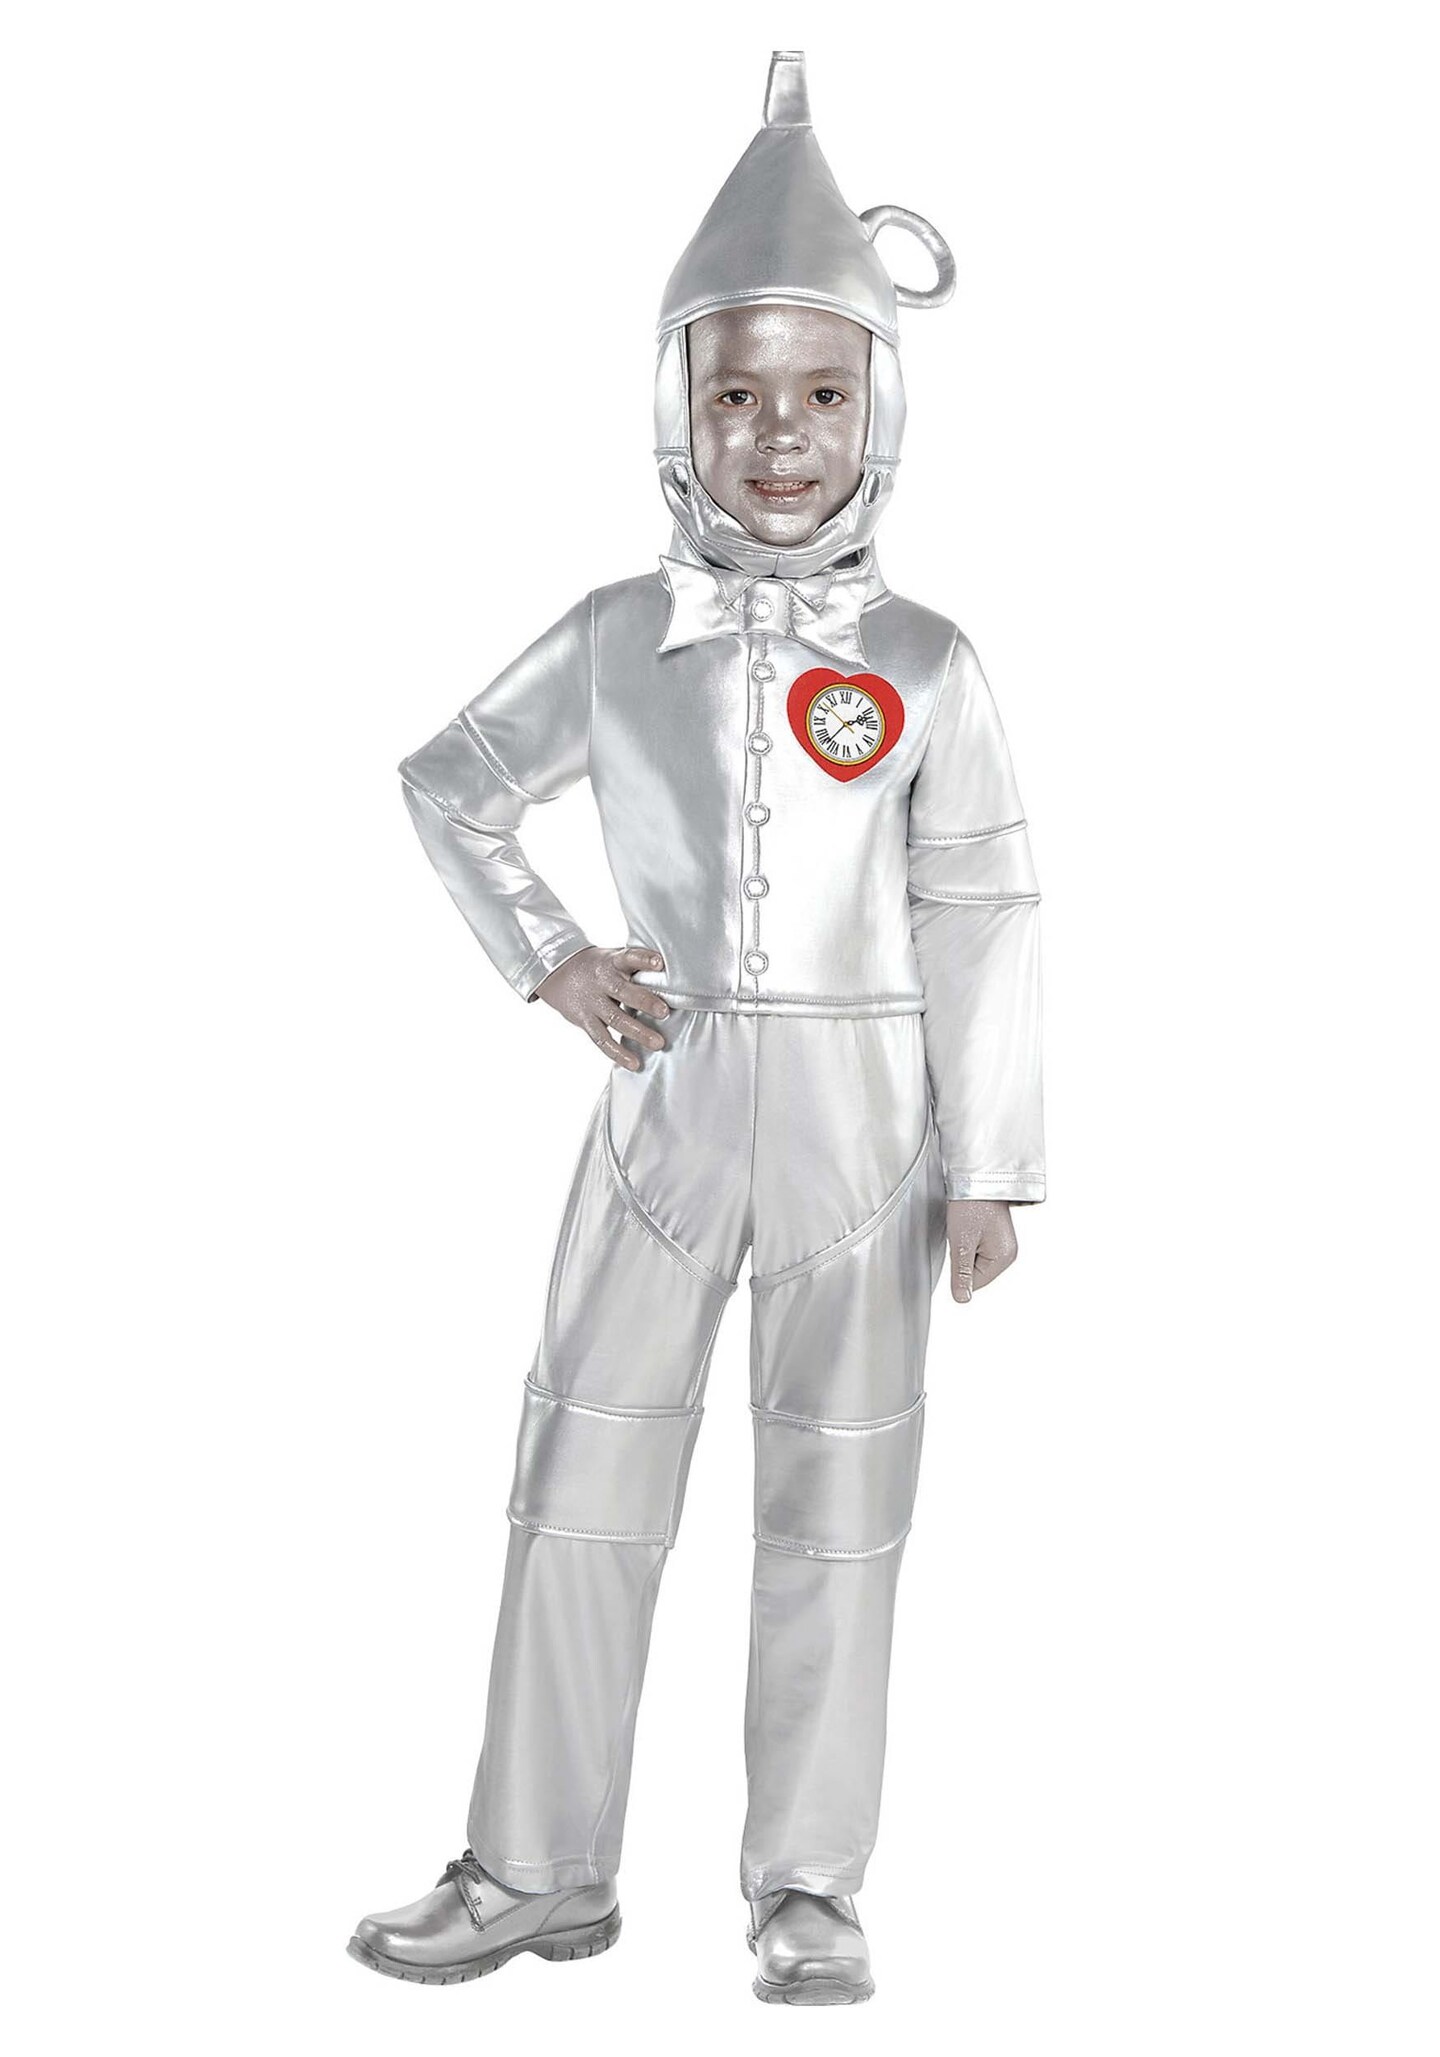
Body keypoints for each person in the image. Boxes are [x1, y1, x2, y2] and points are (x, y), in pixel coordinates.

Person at [348, 49, 1045, 2006]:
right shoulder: (609, 639)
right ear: (677, 409)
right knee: (580, 1482)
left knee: (839, 1509)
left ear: (879, 407)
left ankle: (809, 1884)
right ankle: (534, 1862)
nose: (778, 437)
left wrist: (992, 1162)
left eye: (821, 394)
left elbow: (982, 904)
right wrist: (556, 959)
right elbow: (448, 781)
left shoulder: (928, 664)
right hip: (664, 1108)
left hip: (869, 1126)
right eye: (734, 395)